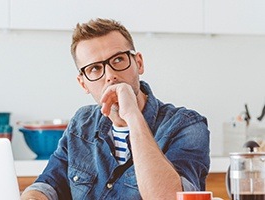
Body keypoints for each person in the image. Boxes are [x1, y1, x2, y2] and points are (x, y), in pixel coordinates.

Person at [21, 18, 210, 200]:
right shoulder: (81, 123)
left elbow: (170, 197)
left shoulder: (187, 126)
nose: (110, 76)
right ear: (83, 84)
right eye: (95, 68)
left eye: (118, 59)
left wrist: (132, 116)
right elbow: (48, 184)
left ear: (139, 63)